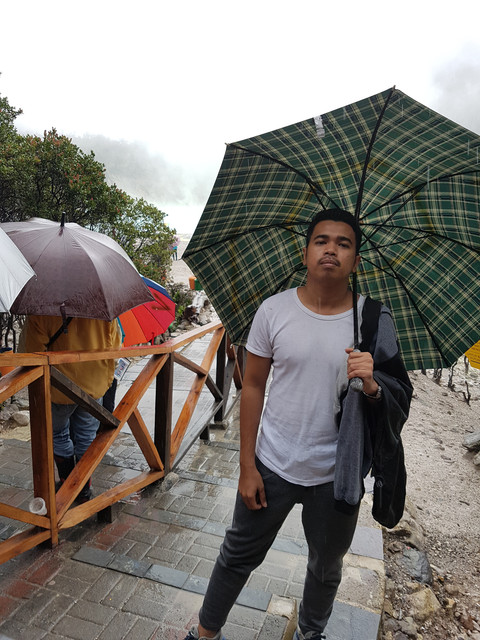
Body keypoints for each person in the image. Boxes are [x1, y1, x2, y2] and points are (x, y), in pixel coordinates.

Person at [183, 209, 413, 640]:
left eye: (344, 243)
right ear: (305, 252)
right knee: (237, 554)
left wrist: (373, 383)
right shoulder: (274, 311)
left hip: (337, 473)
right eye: (322, 241)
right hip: (272, 462)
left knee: (326, 568)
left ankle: (311, 633)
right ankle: (205, 632)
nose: (332, 249)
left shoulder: (373, 320)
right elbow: (251, 386)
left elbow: (400, 396)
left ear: (356, 260)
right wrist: (246, 466)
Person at [23, 316, 122, 503]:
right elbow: (115, 349)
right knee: (86, 435)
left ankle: (67, 484)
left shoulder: (42, 311)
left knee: (58, 434)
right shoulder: (103, 310)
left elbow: (31, 352)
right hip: (93, 385)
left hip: (58, 388)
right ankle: (83, 489)